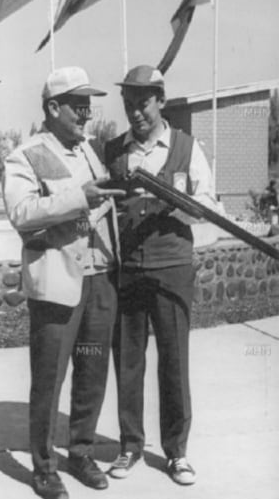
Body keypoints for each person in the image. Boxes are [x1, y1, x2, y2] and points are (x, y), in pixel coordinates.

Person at [2, 66, 125, 499]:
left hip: (100, 279)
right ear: (53, 107)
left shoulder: (90, 151)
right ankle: (44, 467)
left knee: (92, 373)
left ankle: (81, 451)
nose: (87, 113)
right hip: (57, 284)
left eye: (89, 104)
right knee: (49, 378)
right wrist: (80, 198)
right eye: (78, 104)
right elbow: (21, 214)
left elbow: (103, 203)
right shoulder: (26, 155)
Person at [105, 65, 217, 486]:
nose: (136, 112)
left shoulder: (187, 148)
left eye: (144, 103)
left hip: (172, 270)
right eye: (129, 103)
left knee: (174, 361)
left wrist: (169, 201)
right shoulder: (114, 150)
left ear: (161, 101)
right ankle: (130, 445)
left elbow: (205, 206)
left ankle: (177, 452)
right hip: (129, 271)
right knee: (128, 361)